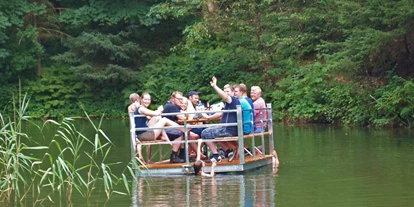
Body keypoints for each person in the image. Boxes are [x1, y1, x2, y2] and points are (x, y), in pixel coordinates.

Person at [135, 92, 186, 163]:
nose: (147, 101)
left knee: (159, 118)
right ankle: (183, 129)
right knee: (163, 120)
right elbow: (156, 113)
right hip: (145, 135)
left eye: (149, 100)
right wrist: (160, 109)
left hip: (143, 134)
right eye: (145, 99)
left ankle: (172, 134)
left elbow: (154, 116)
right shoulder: (141, 109)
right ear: (141, 99)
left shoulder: (141, 109)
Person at [201, 77, 241, 162]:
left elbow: (225, 97)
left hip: (229, 129)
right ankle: (228, 151)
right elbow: (220, 113)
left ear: (233, 92)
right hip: (226, 128)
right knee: (210, 130)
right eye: (224, 91)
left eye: (228, 91)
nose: (225, 93)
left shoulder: (232, 100)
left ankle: (216, 156)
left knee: (205, 133)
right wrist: (208, 117)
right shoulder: (228, 103)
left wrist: (215, 86)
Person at [163, 91, 199, 161]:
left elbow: (183, 117)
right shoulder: (170, 106)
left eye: (181, 99)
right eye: (178, 99)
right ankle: (174, 156)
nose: (180, 101)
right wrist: (192, 118)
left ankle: (183, 155)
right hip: (165, 130)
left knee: (187, 133)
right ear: (173, 99)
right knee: (180, 133)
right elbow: (183, 117)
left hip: (172, 128)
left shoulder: (177, 107)